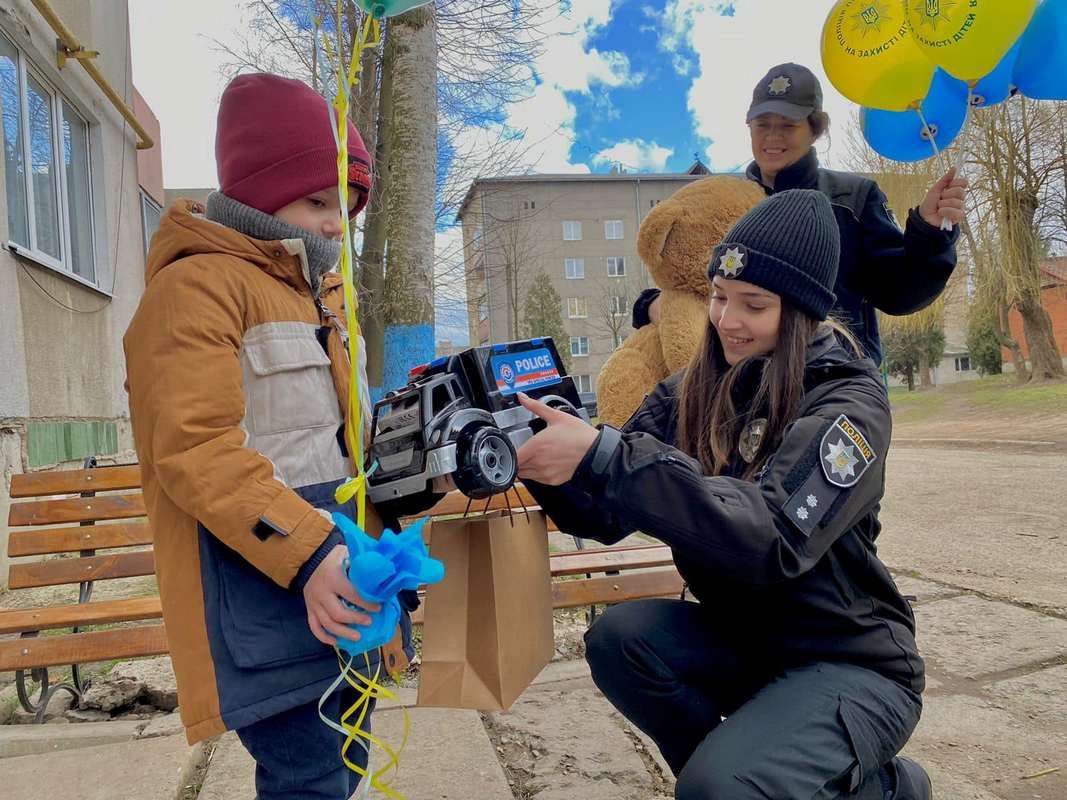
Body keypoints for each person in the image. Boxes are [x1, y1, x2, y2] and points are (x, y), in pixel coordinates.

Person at [517, 189, 931, 799]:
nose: (726, 319)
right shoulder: (692, 389)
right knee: (621, 642)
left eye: (753, 305)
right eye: (718, 296)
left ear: (802, 312)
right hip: (748, 643)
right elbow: (602, 513)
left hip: (852, 663)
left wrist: (612, 456)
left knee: (720, 788)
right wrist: (527, 454)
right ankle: (748, 779)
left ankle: (884, 789)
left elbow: (772, 536)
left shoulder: (848, 403)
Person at [124, 73, 425, 800]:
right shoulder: (196, 288)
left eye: (346, 208)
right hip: (264, 583)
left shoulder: (320, 297)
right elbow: (194, 448)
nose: (334, 224)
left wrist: (413, 485)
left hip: (344, 578)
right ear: (256, 192)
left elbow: (344, 442)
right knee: (306, 772)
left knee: (345, 758)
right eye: (317, 200)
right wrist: (311, 549)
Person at [633, 62, 968, 366]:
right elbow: (698, 285)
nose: (772, 137)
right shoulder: (722, 203)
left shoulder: (853, 198)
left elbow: (899, 293)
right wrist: (651, 305)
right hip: (746, 391)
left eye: (787, 125)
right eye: (762, 124)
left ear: (815, 130)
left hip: (834, 385)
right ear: (749, 128)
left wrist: (929, 232)